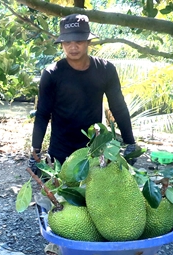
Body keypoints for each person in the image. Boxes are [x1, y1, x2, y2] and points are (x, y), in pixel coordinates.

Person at [29, 14, 137, 173]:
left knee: (96, 188)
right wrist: (35, 152)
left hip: (94, 149)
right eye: (67, 42)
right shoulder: (52, 73)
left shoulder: (105, 70)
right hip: (60, 150)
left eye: (78, 41)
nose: (73, 47)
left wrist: (130, 143)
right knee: (59, 188)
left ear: (88, 42)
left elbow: (118, 107)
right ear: (62, 44)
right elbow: (43, 114)